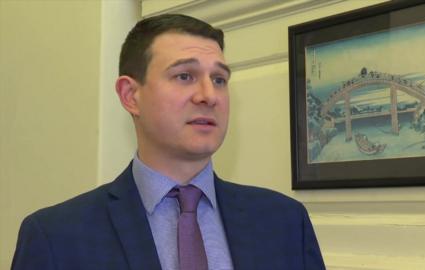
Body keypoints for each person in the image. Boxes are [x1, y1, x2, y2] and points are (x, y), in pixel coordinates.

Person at [12, 14, 326, 270]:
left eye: (219, 79)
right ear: (130, 95)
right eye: (184, 76)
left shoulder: (284, 222)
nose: (208, 95)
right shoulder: (56, 237)